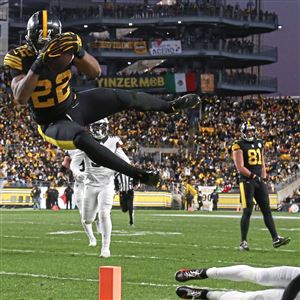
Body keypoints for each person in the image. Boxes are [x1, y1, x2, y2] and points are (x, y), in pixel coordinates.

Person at [4, 10, 200, 187]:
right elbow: (21, 97)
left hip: (74, 103)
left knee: (123, 97)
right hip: (50, 121)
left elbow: (95, 72)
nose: (44, 46)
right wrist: (38, 64)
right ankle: (136, 174)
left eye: (49, 42)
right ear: (29, 38)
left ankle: (169, 107)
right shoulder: (18, 57)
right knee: (83, 138)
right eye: (40, 42)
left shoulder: (65, 47)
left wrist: (78, 52)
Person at [231, 121, 290, 250]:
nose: (250, 133)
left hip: (259, 181)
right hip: (246, 181)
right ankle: (243, 242)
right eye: (247, 131)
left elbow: (262, 161)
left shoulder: (259, 143)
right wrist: (253, 176)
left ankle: (275, 238)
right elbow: (239, 167)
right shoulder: (238, 145)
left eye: (251, 131)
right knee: (247, 211)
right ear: (243, 132)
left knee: (266, 210)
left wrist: (263, 176)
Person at [175, 265, 300, 299]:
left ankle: (204, 294)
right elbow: (296, 282)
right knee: (258, 275)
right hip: (295, 276)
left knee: (250, 298)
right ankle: (203, 273)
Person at [60, 149, 98, 246]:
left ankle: (97, 218)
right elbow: (66, 161)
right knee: (82, 213)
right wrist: (61, 172)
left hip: (92, 182)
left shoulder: (91, 145)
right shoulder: (71, 149)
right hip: (79, 184)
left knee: (97, 209)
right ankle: (91, 238)